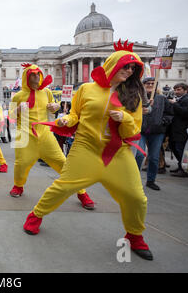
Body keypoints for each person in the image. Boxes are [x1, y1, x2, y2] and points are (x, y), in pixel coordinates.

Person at [23, 40, 153, 261]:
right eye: (125, 66)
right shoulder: (86, 89)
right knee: (62, 187)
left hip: (117, 153)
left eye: (133, 68)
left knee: (136, 197)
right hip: (85, 148)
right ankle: (35, 215)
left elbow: (136, 128)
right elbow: (75, 115)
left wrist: (125, 118)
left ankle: (134, 235)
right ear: (112, 65)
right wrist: (65, 120)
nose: (129, 71)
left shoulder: (133, 95)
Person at [8, 63, 95, 209]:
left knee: (63, 163)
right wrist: (17, 109)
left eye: (38, 74)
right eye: (33, 75)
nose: (37, 77)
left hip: (46, 135)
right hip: (25, 136)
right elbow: (10, 116)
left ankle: (82, 193)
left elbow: (54, 106)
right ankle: (18, 186)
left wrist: (56, 106)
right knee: (21, 164)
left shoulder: (46, 92)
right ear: (26, 78)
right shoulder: (18, 96)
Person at [135, 77, 173, 190]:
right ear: (143, 85)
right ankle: (133, 180)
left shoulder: (162, 99)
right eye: (148, 83)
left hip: (157, 131)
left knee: (154, 157)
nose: (150, 85)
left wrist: (163, 121)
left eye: (153, 83)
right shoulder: (137, 98)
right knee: (139, 155)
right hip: (140, 130)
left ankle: (151, 180)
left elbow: (170, 113)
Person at [168, 82, 188, 177]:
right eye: (175, 89)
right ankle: (181, 166)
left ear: (186, 90)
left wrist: (175, 104)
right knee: (174, 147)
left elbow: (185, 113)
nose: (176, 91)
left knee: (180, 149)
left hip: (183, 130)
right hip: (176, 129)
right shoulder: (180, 99)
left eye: (179, 89)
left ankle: (184, 169)